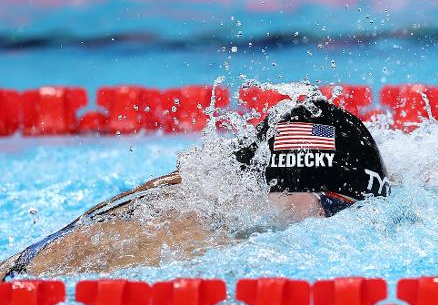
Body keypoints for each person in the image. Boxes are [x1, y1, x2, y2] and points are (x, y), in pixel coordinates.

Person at [0, 97, 390, 280]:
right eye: (334, 205)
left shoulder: (241, 193)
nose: (344, 217)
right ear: (284, 190)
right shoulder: (196, 234)